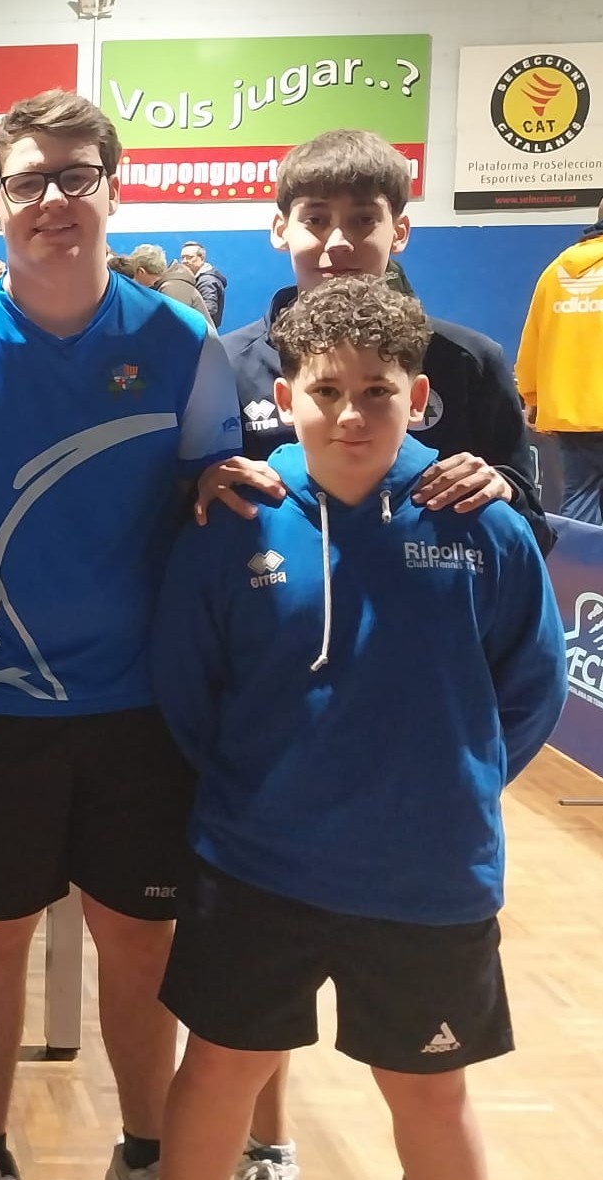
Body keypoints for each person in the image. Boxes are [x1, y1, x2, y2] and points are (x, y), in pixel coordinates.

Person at [0, 89, 242, 1180]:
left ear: (110, 190)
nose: (52, 200)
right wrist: (2, 615)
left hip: (140, 706)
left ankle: (145, 1147)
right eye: (27, 181)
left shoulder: (185, 348)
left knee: (136, 937)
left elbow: (209, 501)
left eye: (74, 176)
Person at [150, 276, 566, 1180]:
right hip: (256, 866)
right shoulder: (234, 521)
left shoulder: (481, 525)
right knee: (219, 1068)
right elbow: (186, 688)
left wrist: (449, 784)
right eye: (326, 390)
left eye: (377, 390)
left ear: (417, 398)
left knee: (428, 1092)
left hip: (428, 875)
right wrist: (254, 789)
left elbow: (530, 687)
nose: (349, 414)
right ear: (284, 396)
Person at [517, 196, 603, 523]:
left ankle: (576, 560)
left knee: (580, 505)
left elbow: (533, 340)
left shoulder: (555, 271)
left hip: (572, 416)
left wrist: (532, 397)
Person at [127, 244, 208, 321]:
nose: (134, 281)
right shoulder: (167, 285)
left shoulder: (172, 289)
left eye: (134, 276)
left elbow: (174, 326)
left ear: (141, 272)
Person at [179, 241, 227, 325]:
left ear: (202, 258)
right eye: (182, 258)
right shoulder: (197, 278)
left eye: (189, 257)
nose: (184, 261)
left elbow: (208, 310)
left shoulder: (207, 281)